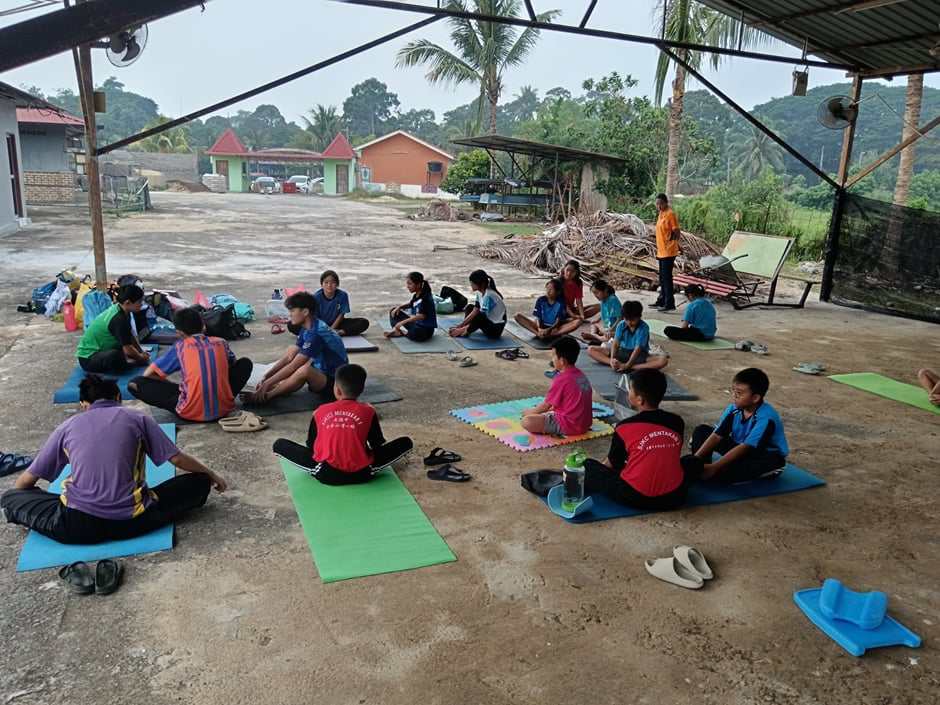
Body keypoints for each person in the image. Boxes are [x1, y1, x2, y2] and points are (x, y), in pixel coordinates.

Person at [0, 375, 225, 545]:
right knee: (198, 482)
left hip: (77, 526)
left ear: (83, 405)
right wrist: (210, 474)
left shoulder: (67, 427)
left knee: (11, 497)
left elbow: (27, 480)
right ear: (118, 398)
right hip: (135, 522)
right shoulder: (137, 418)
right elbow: (177, 459)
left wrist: (24, 496)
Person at [273, 364, 413, 485]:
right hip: (362, 473)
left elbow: (312, 446)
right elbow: (377, 444)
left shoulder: (319, 412)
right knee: (405, 442)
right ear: (362, 389)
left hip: (327, 473)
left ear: (337, 390)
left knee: (279, 444)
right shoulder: (369, 411)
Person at [584, 369, 701, 510]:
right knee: (693, 461)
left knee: (588, 465)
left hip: (635, 497)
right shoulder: (677, 422)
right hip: (675, 497)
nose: (628, 393)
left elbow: (612, 464)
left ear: (639, 400)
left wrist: (597, 471)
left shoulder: (624, 427)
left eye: (630, 389)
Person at [128, 307, 253, 422]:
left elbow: (148, 374)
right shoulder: (221, 342)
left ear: (179, 332)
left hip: (189, 412)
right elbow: (233, 364)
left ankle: (192, 397)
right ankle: (218, 398)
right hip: (224, 409)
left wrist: (174, 385)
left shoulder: (180, 347)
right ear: (203, 326)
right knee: (245, 363)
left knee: (136, 383)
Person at [688, 367, 789, 483]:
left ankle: (713, 471)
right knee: (702, 431)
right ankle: (703, 467)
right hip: (739, 447)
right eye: (733, 391)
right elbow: (717, 435)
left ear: (755, 398)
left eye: (739, 393)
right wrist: (695, 460)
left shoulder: (766, 418)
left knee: (722, 476)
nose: (734, 396)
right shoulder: (734, 409)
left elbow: (746, 447)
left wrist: (715, 467)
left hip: (761, 456)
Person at [245, 291, 348, 404]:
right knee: (293, 356)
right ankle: (277, 388)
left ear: (305, 312)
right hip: (322, 372)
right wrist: (266, 377)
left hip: (336, 384)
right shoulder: (308, 326)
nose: (290, 314)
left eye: (293, 311)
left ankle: (266, 397)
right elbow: (289, 357)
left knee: (304, 369)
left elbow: (294, 366)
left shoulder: (316, 333)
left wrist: (267, 383)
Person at [521, 337, 593, 436]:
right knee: (543, 410)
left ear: (562, 361)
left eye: (553, 356)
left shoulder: (561, 379)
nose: (552, 359)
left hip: (570, 425)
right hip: (585, 424)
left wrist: (529, 412)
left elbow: (546, 405)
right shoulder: (581, 375)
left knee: (527, 421)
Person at [75, 284, 151, 373]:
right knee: (116, 356)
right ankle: (128, 363)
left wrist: (140, 352)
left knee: (124, 352)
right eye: (139, 302)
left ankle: (129, 361)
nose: (141, 304)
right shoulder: (118, 319)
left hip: (102, 351)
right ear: (127, 302)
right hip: (88, 359)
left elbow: (128, 336)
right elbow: (128, 349)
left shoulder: (123, 310)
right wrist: (141, 358)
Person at [587, 300, 668, 372]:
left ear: (639, 317)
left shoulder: (644, 327)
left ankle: (632, 367)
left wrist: (628, 365)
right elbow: (615, 344)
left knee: (663, 360)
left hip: (639, 355)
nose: (629, 322)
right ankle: (616, 364)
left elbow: (638, 349)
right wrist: (612, 359)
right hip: (622, 352)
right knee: (591, 349)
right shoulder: (621, 324)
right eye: (626, 319)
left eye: (632, 320)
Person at [514, 278, 581, 340]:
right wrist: (539, 329)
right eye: (547, 289)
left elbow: (558, 321)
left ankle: (551, 335)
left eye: (551, 290)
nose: (548, 292)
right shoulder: (541, 300)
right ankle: (538, 334)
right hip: (540, 327)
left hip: (554, 329)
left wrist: (549, 330)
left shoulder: (561, 302)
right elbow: (538, 317)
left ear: (558, 292)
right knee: (517, 316)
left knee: (578, 322)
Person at [448, 269, 507, 340]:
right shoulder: (480, 293)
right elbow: (475, 311)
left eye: (472, 283)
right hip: (487, 322)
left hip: (495, 329)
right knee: (469, 307)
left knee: (480, 315)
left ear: (481, 284)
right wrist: (461, 324)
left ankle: (465, 331)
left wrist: (461, 330)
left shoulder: (489, 295)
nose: (471, 285)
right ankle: (465, 328)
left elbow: (481, 317)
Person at [314, 270, 370, 337]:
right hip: (321, 324)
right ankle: (327, 332)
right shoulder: (316, 297)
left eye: (333, 282)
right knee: (298, 326)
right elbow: (315, 317)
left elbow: (341, 314)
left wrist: (332, 329)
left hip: (338, 323)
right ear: (321, 285)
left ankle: (340, 332)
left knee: (364, 322)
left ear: (337, 284)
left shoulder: (343, 295)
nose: (329, 285)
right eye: (326, 282)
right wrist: (324, 328)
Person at [386, 271, 437, 342]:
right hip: (416, 324)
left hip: (425, 330)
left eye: (410, 284)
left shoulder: (425, 298)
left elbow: (421, 316)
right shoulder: (417, 294)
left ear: (418, 285)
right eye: (407, 283)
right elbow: (411, 304)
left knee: (416, 333)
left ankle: (401, 332)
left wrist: (402, 322)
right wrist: (399, 307)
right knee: (393, 311)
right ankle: (401, 331)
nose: (407, 286)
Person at [653, 193, 681, 312]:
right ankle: (661, 300)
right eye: (657, 204)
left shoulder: (670, 214)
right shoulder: (661, 213)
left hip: (668, 252)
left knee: (667, 278)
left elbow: (676, 231)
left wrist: (672, 243)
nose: (659, 206)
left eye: (661, 204)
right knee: (662, 278)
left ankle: (669, 303)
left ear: (666, 203)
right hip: (661, 251)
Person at [581, 279, 621, 346]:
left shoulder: (613, 300)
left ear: (605, 290)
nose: (596, 296)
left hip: (613, 328)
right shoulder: (603, 300)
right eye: (594, 293)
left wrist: (610, 330)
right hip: (606, 326)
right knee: (594, 324)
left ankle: (594, 336)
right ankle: (596, 335)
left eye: (597, 293)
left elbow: (619, 318)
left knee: (607, 337)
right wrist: (598, 319)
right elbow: (603, 312)